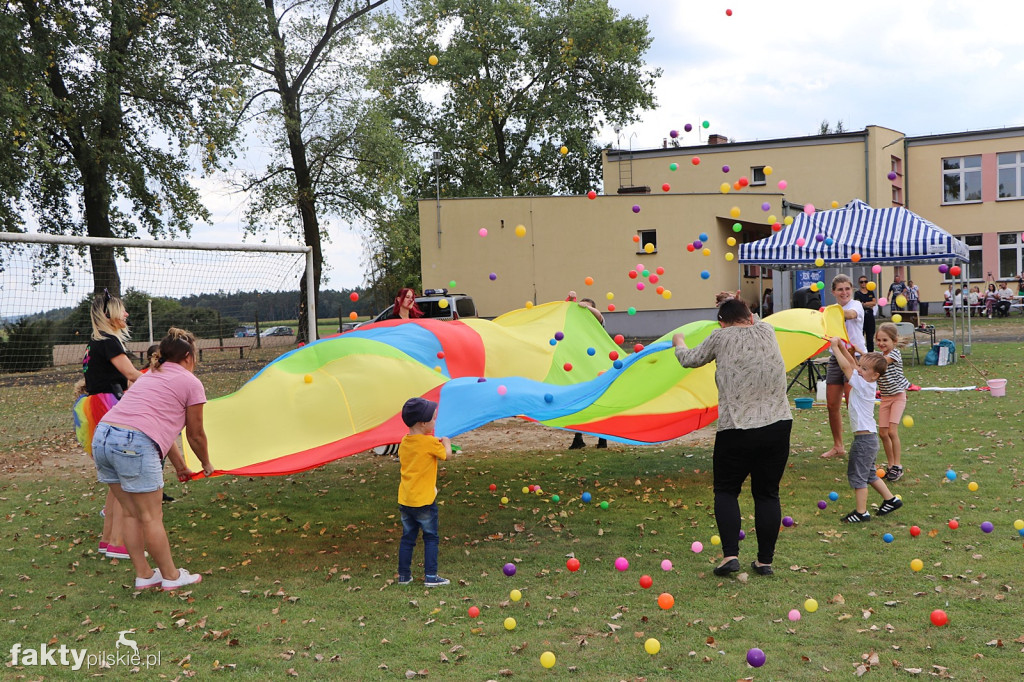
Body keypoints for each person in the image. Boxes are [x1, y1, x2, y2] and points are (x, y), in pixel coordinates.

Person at [672, 297, 792, 577]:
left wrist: (678, 341)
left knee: (726, 491)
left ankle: (730, 556)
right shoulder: (767, 330)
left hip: (736, 429)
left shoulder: (720, 337)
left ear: (721, 324)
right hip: (778, 425)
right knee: (767, 493)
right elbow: (753, 318)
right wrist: (732, 301)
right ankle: (765, 562)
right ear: (750, 317)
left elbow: (690, 359)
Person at [92, 328, 213, 591]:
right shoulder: (190, 382)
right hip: (132, 443)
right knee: (151, 516)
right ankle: (171, 576)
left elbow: (155, 426)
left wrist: (180, 465)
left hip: (103, 437)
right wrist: (206, 462)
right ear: (190, 356)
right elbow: (195, 434)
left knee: (132, 512)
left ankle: (144, 575)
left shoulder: (150, 376)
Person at [72, 290, 142, 561]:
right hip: (111, 406)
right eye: (121, 310)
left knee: (115, 478)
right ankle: (117, 541)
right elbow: (131, 374)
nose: (126, 314)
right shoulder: (110, 342)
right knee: (124, 476)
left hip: (98, 405)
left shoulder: (94, 342)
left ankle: (108, 539)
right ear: (109, 315)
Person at [830, 337, 903, 523]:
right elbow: (854, 365)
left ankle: (861, 512)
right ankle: (891, 500)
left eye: (864, 369)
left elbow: (847, 368)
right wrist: (844, 348)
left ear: (875, 375)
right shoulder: (866, 380)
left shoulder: (863, 384)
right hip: (868, 439)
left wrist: (834, 349)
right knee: (869, 473)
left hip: (864, 441)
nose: (859, 370)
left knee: (858, 475)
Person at [396, 397, 453, 587]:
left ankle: (404, 576)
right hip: (425, 501)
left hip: (406, 499)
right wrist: (446, 442)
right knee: (430, 537)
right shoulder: (430, 443)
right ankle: (430, 576)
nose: (435, 423)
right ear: (423, 423)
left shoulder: (404, 442)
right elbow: (447, 456)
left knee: (408, 538)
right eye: (434, 419)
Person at [821, 274, 866, 459]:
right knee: (832, 404)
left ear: (852, 290)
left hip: (855, 358)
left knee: (853, 403)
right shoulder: (830, 310)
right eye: (840, 289)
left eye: (847, 288)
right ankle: (838, 446)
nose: (844, 292)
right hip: (836, 358)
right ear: (833, 292)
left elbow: (850, 315)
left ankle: (861, 446)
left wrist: (828, 313)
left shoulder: (855, 305)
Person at [566, 291, 608, 450]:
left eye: (586, 309)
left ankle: (602, 439)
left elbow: (599, 316)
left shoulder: (597, 325)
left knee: (599, 403)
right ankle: (578, 438)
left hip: (598, 370)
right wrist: (571, 301)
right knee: (579, 402)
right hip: (580, 369)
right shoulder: (576, 329)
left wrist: (585, 307)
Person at [875, 323, 911, 482]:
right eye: (878, 340)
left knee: (891, 432)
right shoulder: (878, 355)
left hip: (897, 397)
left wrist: (864, 357)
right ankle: (890, 466)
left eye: (885, 340)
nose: (881, 343)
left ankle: (897, 466)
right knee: (882, 433)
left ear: (894, 341)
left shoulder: (894, 354)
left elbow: (880, 363)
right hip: (885, 398)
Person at [853, 277, 876, 352]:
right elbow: (858, 304)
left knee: (870, 336)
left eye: (865, 282)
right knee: (860, 335)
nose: (863, 283)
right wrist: (868, 304)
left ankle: (871, 353)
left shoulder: (870, 292)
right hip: (861, 316)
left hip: (870, 316)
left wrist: (865, 304)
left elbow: (874, 302)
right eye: (861, 282)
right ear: (859, 283)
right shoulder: (857, 293)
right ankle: (861, 353)